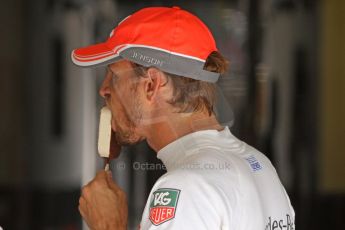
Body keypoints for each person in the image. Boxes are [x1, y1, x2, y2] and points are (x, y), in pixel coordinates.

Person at [71, 6, 295, 230]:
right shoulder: (261, 167)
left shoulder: (184, 188)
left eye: (114, 75)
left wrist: (108, 226)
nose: (104, 89)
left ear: (151, 85)